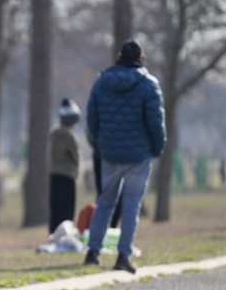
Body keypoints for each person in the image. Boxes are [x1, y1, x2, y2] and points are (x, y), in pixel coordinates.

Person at [83, 39, 166, 273]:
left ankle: (93, 251)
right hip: (139, 154)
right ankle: (123, 256)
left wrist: (100, 143)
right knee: (131, 205)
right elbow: (156, 122)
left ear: (119, 57)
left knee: (105, 202)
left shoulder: (102, 81)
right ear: (141, 58)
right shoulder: (149, 85)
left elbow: (92, 118)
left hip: (109, 152)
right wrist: (157, 148)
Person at [48, 99, 81, 234]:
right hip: (68, 175)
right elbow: (75, 156)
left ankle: (53, 233)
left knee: (55, 208)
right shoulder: (69, 136)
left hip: (53, 174)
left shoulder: (53, 133)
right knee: (67, 210)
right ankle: (66, 234)